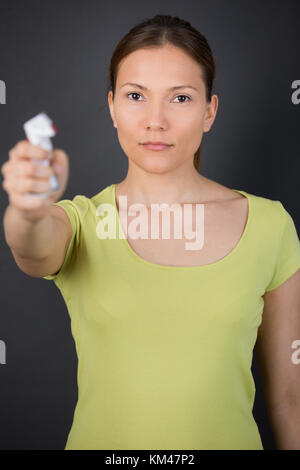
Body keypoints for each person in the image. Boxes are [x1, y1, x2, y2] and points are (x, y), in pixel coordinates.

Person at [2, 14, 300, 451]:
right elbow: (31, 247)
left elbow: (291, 397)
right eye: (136, 95)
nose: (155, 120)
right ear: (112, 107)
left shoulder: (271, 226)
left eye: (180, 98)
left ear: (209, 111)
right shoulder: (81, 222)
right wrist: (27, 210)